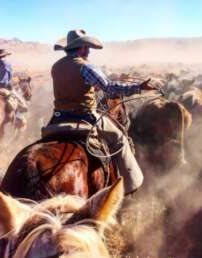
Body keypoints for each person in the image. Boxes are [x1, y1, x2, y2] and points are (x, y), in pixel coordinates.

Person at [51, 29, 154, 193]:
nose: (89, 51)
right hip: (85, 116)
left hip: (58, 118)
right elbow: (109, 88)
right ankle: (130, 185)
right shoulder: (85, 66)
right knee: (120, 138)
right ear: (82, 48)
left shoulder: (56, 67)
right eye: (87, 47)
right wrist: (138, 87)